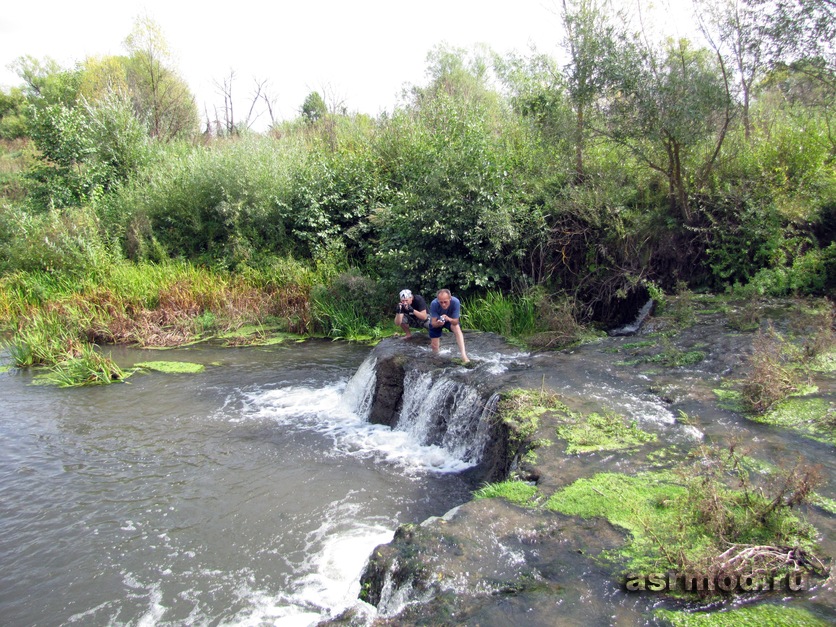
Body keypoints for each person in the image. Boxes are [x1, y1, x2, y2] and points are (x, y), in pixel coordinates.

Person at [429, 288, 469, 363]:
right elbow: (433, 323)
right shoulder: (434, 304)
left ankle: (464, 355)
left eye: (445, 302)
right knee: (434, 347)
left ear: (450, 299)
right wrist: (438, 323)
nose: (443, 304)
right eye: (441, 302)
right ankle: (436, 359)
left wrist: (448, 319)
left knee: (457, 328)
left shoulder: (455, 302)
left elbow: (456, 321)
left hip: (450, 320)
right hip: (437, 321)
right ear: (438, 300)